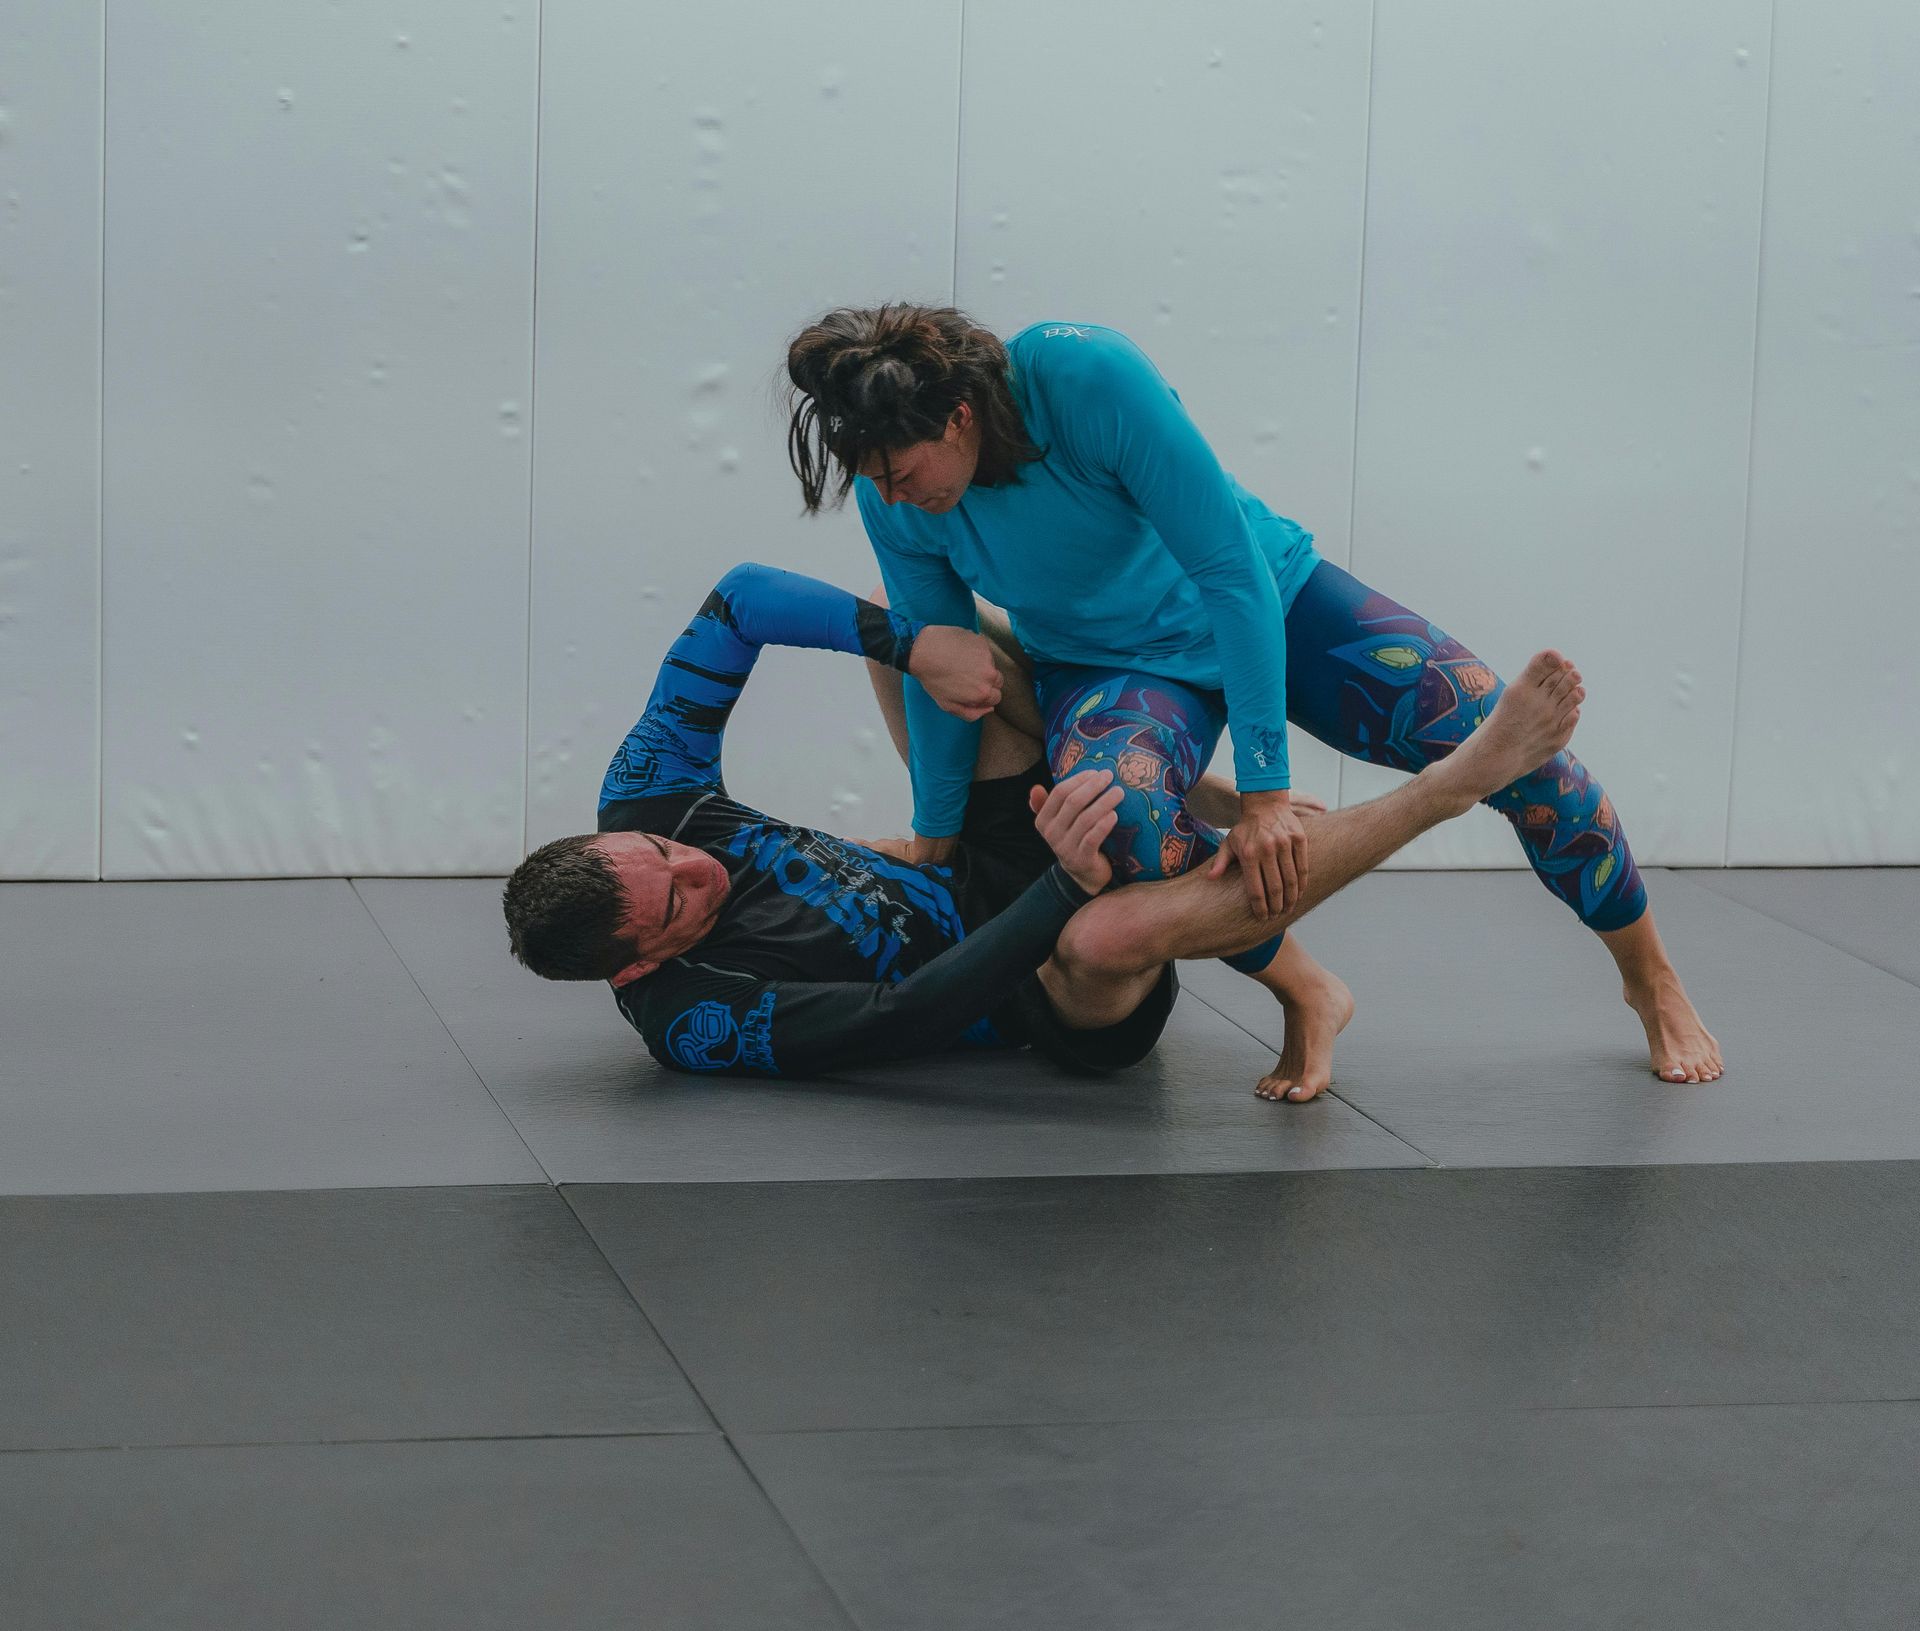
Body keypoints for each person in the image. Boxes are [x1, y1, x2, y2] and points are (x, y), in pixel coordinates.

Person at [783, 306, 1724, 1093]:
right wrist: (937, 838)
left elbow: (1229, 569)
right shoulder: (893, 505)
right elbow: (948, 677)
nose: (891, 498)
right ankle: (1304, 982)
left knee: (1529, 759)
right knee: (1121, 832)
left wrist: (1269, 798)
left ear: (955, 416)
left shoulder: (1081, 376)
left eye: (900, 473)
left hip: (1269, 599)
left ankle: (1651, 977)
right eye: (873, 481)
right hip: (1112, 671)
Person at [502, 561, 1590, 1086]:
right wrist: (1064, 886)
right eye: (677, 896)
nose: (691, 862)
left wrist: (906, 644)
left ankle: (1185, 797)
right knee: (1109, 931)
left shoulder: (646, 793)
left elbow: (738, 600)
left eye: (657, 851)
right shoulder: (695, 1022)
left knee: (940, 636)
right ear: (638, 961)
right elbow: (915, 1007)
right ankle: (1450, 789)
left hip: (979, 857)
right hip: (1039, 981)